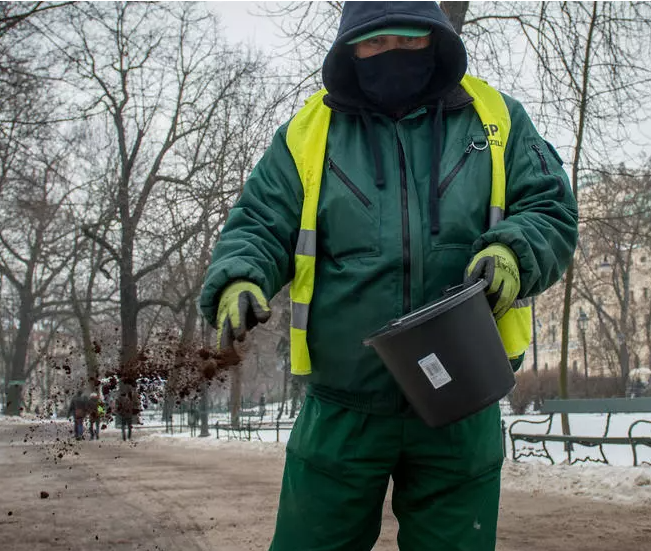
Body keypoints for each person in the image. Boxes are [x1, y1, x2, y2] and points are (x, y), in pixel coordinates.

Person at [199, 2, 578, 550]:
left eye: (406, 41)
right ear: (350, 47)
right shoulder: (308, 133)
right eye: (375, 44)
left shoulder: (495, 118)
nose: (390, 55)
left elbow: (549, 206)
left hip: (462, 399)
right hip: (342, 408)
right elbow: (259, 221)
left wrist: (514, 255)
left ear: (434, 39)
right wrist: (240, 277)